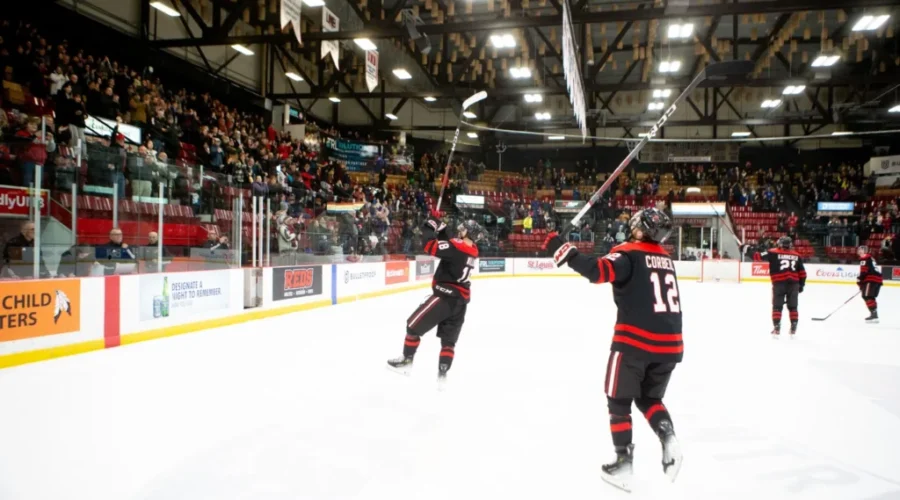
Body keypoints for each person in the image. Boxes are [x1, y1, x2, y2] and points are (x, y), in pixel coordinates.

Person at [542, 208, 683, 491]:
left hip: (635, 342)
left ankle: (623, 463)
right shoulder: (666, 259)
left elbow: (596, 271)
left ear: (641, 228)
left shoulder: (629, 253)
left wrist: (559, 246)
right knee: (648, 398)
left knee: (618, 401)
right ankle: (667, 435)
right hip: (671, 344)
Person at [387, 215, 481, 387]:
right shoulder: (472, 249)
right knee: (449, 342)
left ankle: (407, 362)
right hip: (460, 303)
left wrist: (429, 226)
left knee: (412, 326)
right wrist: (443, 230)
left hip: (444, 298)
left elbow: (430, 246)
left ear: (469, 233)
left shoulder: (456, 247)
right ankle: (442, 377)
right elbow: (449, 252)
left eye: (463, 229)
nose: (460, 231)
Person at [758, 236, 807, 338]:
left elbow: (758, 256)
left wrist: (745, 248)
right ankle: (793, 327)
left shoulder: (773, 252)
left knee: (777, 306)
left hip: (779, 283)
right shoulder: (797, 255)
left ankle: (777, 328)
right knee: (793, 307)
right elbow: (802, 273)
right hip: (794, 284)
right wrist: (801, 285)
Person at [856, 245, 883, 323]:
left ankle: (874, 314)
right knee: (868, 296)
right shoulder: (870, 258)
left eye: (862, 250)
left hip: (871, 279)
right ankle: (874, 314)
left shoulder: (864, 258)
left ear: (866, 251)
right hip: (875, 279)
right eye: (859, 250)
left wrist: (860, 280)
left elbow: (864, 271)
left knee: (866, 296)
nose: (860, 251)